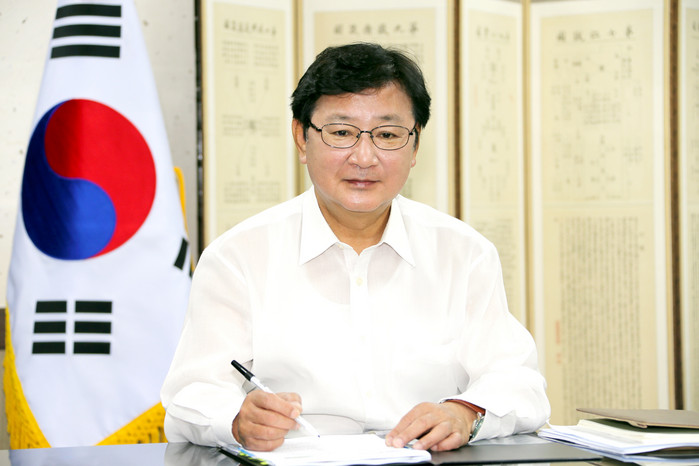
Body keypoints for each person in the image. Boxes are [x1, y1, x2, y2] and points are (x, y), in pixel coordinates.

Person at [160, 42, 550, 452]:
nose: (364, 158)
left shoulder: (463, 254)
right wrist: (238, 420)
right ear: (301, 137)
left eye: (388, 135)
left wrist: (465, 412)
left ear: (415, 146)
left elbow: (519, 382)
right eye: (342, 133)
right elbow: (190, 396)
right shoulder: (238, 257)